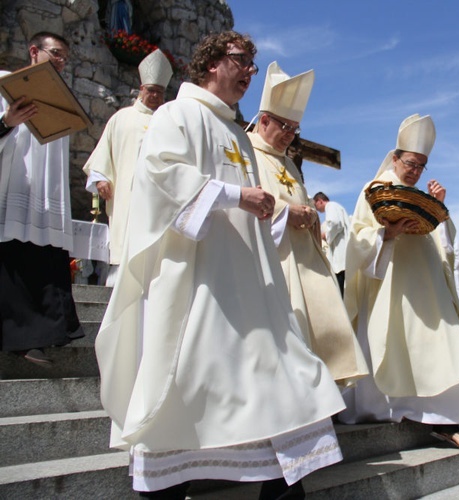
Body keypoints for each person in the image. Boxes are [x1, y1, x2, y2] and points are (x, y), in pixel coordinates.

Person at [94, 31, 346, 498]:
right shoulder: (176, 114)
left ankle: (284, 485)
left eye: (253, 63)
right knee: (189, 381)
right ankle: (165, 484)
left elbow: (252, 213)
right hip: (198, 279)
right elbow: (160, 177)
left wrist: (265, 212)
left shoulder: (236, 133)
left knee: (287, 377)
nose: (249, 71)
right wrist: (235, 195)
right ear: (210, 63)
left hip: (250, 281)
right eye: (241, 61)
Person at [341, 114, 459, 449]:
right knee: (396, 344)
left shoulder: (416, 193)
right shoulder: (374, 189)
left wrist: (439, 208)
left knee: (442, 345)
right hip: (389, 283)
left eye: (421, 166)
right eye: (411, 163)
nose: (415, 170)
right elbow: (358, 239)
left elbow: (441, 238)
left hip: (426, 284)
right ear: (395, 158)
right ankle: (401, 409)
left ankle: (446, 419)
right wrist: (387, 233)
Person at [249, 61, 367, 388]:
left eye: (295, 128)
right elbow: (244, 205)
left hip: (307, 258)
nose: (289, 134)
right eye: (284, 125)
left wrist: (310, 217)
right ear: (263, 120)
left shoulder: (289, 162)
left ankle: (319, 398)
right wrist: (286, 214)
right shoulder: (245, 154)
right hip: (274, 260)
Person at [0, 31, 83, 365]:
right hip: (11, 190)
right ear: (34, 51)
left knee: (43, 259)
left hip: (44, 201)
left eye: (65, 56)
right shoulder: (5, 84)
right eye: (56, 53)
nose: (61, 61)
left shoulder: (62, 99)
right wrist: (7, 122)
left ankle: (49, 334)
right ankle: (21, 337)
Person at [83, 48, 173, 286]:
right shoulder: (121, 118)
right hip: (127, 197)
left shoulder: (168, 122)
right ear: (141, 89)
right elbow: (103, 152)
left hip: (158, 199)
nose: (155, 96)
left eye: (160, 92)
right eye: (151, 91)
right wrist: (101, 178)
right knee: (125, 250)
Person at [313, 191, 350, 295]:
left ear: (320, 201)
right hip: (341, 250)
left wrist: (325, 235)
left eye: (316, 206)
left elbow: (334, 223)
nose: (317, 210)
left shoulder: (331, 206)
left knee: (340, 289)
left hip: (340, 253)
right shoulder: (336, 207)